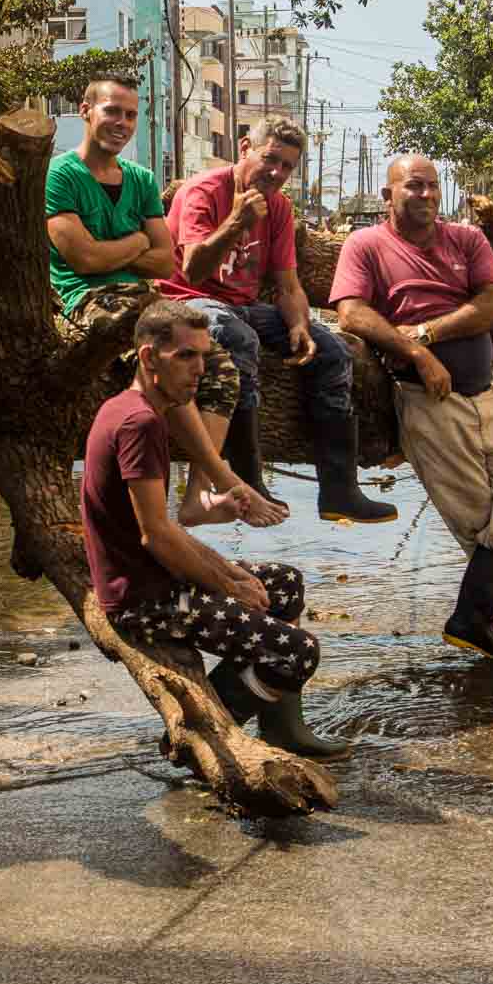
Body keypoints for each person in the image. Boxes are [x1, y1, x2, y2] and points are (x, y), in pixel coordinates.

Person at [81, 299, 350, 759]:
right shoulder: (140, 423)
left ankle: (281, 727)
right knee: (298, 653)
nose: (200, 369)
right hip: (146, 600)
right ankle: (200, 732)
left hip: (156, 579)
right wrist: (229, 584)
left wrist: (231, 574)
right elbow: (157, 536)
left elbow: (165, 530)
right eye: (186, 356)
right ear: (148, 358)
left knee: (284, 583)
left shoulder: (141, 406)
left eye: (204, 355)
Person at [328, 153, 493, 661]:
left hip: (489, 396)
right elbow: (350, 313)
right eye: (414, 186)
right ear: (388, 194)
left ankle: (471, 618)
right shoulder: (366, 244)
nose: (427, 195)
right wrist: (416, 352)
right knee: (483, 525)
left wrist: (431, 331)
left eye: (433, 186)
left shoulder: (466, 239)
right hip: (428, 402)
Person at [46, 74, 285, 527]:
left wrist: (115, 249)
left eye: (131, 114)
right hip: (87, 299)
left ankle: (197, 497)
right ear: (85, 111)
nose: (122, 122)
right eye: (112, 111)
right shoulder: (61, 173)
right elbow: (81, 258)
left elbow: (162, 263)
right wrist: (136, 242)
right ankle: (223, 474)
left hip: (143, 298)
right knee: (166, 367)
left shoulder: (140, 179)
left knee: (215, 366)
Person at [159, 117, 395, 524]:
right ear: (246, 147)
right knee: (239, 338)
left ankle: (339, 489)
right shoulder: (204, 191)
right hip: (187, 300)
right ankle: (248, 480)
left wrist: (300, 326)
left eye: (287, 166)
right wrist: (237, 222)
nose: (276, 173)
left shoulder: (281, 207)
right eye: (270, 159)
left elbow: (288, 285)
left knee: (334, 350)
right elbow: (194, 269)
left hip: (244, 306)